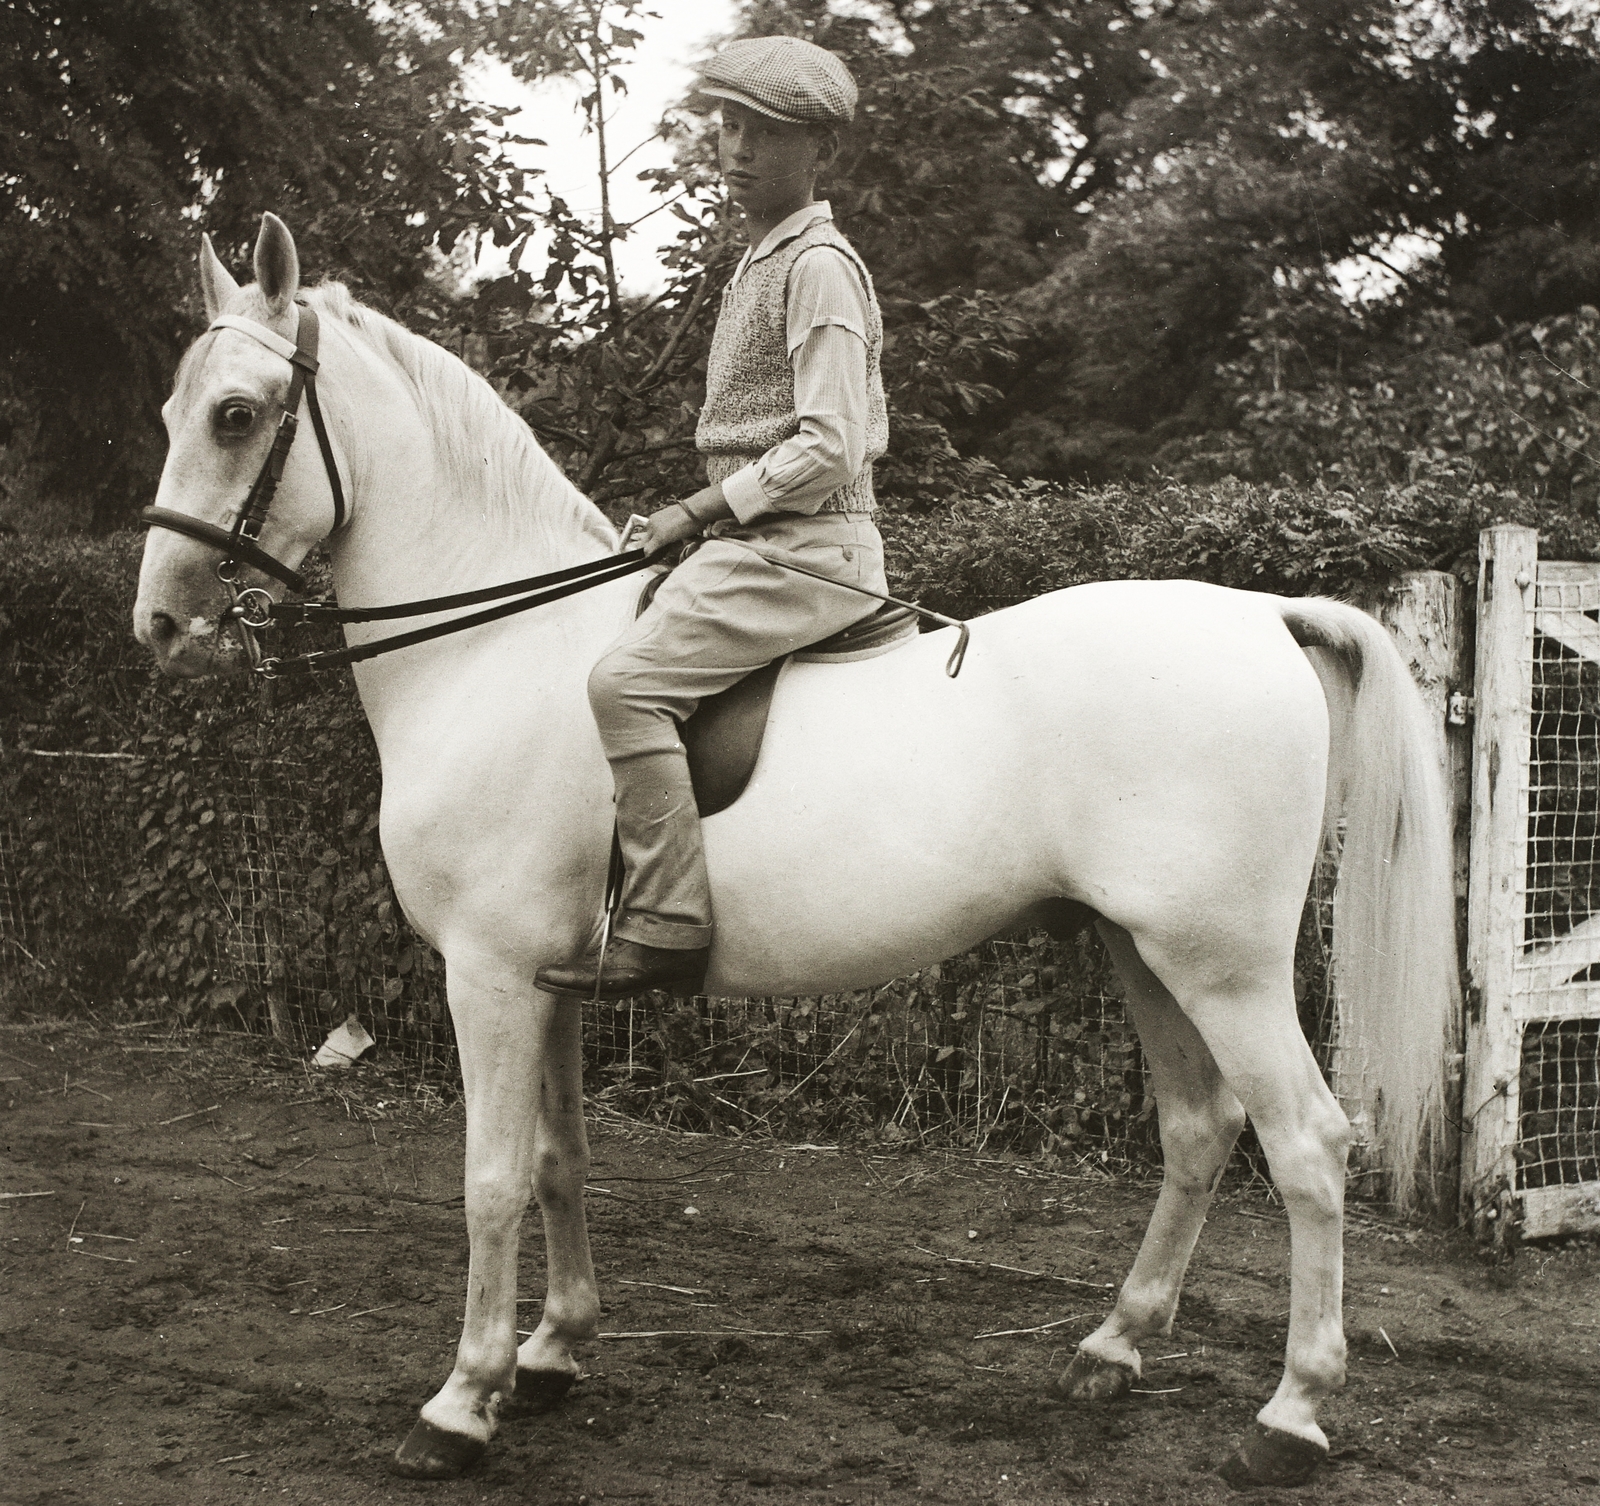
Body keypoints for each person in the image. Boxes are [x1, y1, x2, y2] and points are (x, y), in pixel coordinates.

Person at [536, 34, 891, 999]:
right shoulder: (756, 260)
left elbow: (830, 445)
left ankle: (667, 922)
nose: (735, 148)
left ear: (820, 148)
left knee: (623, 685)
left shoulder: (817, 264)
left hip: (807, 550)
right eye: (727, 125)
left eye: (763, 132)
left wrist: (695, 509)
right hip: (759, 542)